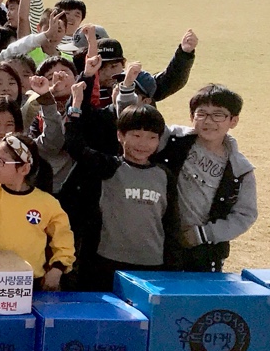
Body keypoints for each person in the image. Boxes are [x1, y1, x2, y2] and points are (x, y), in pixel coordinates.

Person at [64, 83, 172, 290]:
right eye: (136, 135)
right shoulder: (109, 167)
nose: (143, 143)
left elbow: (171, 223)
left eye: (151, 137)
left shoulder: (164, 176)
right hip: (106, 263)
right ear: (120, 136)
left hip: (152, 265)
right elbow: (75, 145)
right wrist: (76, 105)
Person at [0, 127, 74, 288]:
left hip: (29, 281)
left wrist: (58, 268)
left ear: (24, 168)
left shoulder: (47, 203)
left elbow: (64, 239)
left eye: (1, 162)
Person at [154, 84, 257, 272]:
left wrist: (202, 234)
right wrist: (127, 90)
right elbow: (137, 124)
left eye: (218, 115)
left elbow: (245, 215)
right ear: (192, 117)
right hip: (159, 242)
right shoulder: (173, 139)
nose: (209, 121)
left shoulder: (241, 169)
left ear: (233, 121)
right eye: (201, 114)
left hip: (205, 252)